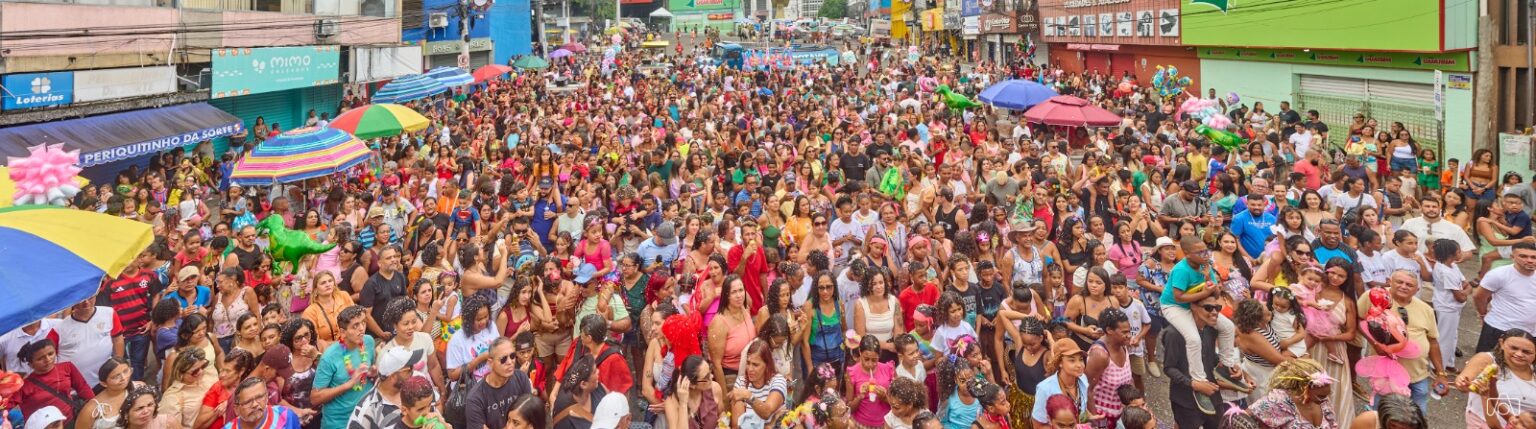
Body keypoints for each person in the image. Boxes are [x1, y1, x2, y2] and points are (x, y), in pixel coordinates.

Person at [1161, 293, 1225, 428]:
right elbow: (1169, 368)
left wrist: (1226, 365)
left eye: (1217, 308)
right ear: (1193, 307)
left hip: (1212, 395)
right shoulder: (1174, 333)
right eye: (1208, 308)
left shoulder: (1211, 330)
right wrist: (1194, 384)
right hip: (1185, 400)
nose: (1214, 312)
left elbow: (1210, 357)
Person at [1456, 329, 1536, 429]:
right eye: (1514, 348)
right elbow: (1464, 383)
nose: (1519, 354)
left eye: (1526, 352)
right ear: (1501, 343)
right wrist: (1464, 384)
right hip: (1485, 422)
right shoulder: (1487, 360)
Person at [312, 306, 376, 429]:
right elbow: (315, 398)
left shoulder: (368, 341)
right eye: (355, 326)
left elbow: (370, 370)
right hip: (340, 422)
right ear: (342, 332)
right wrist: (349, 384)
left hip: (366, 415)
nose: (362, 329)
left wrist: (374, 373)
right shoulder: (329, 357)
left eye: (363, 322)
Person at [345, 346, 427, 429]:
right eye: (409, 368)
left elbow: (435, 405)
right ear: (393, 377)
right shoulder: (366, 411)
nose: (413, 371)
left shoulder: (418, 380)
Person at [1475, 242, 1536, 353]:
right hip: (1499, 328)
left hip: (1530, 333)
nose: (1530, 260)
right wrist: (1483, 314)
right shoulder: (1498, 274)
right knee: (1487, 365)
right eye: (1523, 256)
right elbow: (1479, 297)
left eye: (1533, 257)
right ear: (1512, 257)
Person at [1246, 359, 1340, 429]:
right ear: (1304, 388)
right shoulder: (1278, 402)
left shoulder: (1322, 403)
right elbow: (1241, 417)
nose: (1325, 399)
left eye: (1327, 395)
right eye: (1321, 396)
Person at [465, 338, 533, 429]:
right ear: (490, 363)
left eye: (512, 356)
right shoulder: (475, 398)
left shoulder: (521, 378)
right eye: (503, 359)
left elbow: (530, 415)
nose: (510, 362)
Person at [224, 378, 304, 429]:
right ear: (236, 409)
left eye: (259, 397)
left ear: (266, 397)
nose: (255, 404)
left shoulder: (286, 416)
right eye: (248, 402)